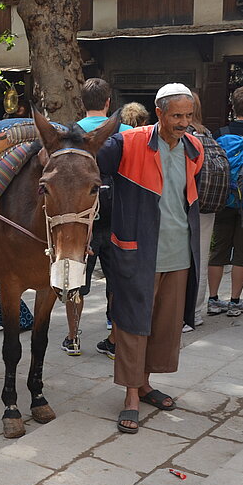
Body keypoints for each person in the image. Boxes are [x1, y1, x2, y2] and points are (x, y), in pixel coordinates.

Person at [98, 83, 204, 434]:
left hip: (178, 253)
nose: (184, 122)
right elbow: (89, 176)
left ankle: (144, 385)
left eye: (188, 115)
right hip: (137, 252)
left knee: (163, 325)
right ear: (159, 113)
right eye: (177, 116)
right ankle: (130, 395)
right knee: (131, 323)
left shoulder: (194, 148)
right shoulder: (125, 143)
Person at [71, 78, 132, 358]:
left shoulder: (69, 134)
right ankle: (113, 333)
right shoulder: (129, 132)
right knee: (117, 278)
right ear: (109, 102)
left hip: (82, 220)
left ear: (81, 103)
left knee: (76, 279)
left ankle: (73, 338)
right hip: (120, 214)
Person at [208, 85, 243, 318]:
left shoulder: (219, 133)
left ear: (233, 106)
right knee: (242, 251)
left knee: (218, 250)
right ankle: (235, 300)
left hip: (221, 199)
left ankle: (212, 299)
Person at [183, 90, 223, 332]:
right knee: (201, 256)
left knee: (182, 259)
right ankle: (195, 311)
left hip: (186, 203)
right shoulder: (206, 132)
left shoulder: (183, 136)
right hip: (207, 203)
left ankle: (182, 312)